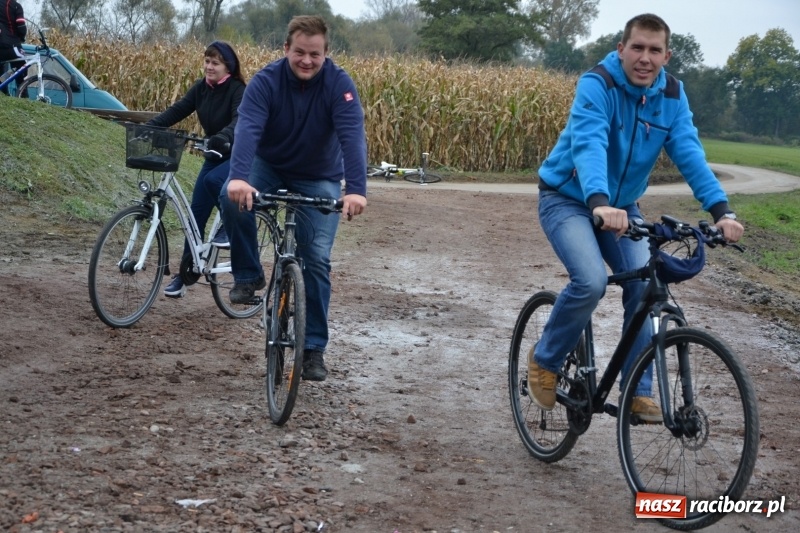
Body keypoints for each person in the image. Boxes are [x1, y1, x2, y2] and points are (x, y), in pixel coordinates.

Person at [529, 13, 744, 421]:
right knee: (590, 281)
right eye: (638, 48)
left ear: (666, 55)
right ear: (621, 49)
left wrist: (722, 211)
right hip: (569, 198)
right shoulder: (599, 84)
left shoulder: (673, 96)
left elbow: (689, 153)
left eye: (654, 50)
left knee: (646, 282)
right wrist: (598, 201)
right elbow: (589, 142)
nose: (645, 58)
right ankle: (545, 359)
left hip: (622, 207)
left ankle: (638, 391)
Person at [221, 15, 367, 382]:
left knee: (316, 258)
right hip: (268, 165)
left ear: (326, 54)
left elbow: (352, 134)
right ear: (286, 49)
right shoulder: (266, 81)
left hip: (319, 176)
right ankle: (249, 274)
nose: (306, 60)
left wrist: (357, 190)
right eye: (299, 52)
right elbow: (249, 126)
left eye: (314, 54)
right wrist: (239, 176)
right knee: (229, 196)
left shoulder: (339, 84)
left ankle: (313, 348)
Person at [146, 41, 246, 298]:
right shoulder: (202, 88)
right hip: (214, 154)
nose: (209, 67)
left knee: (214, 181)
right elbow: (179, 109)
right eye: (207, 61)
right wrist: (151, 126)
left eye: (216, 63)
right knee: (195, 216)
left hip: (237, 155)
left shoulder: (237, 89)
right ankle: (186, 273)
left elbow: (240, 120)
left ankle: (228, 222)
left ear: (228, 67)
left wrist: (224, 136)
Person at [0, 0, 26, 94]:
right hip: (12, 44)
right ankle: (23, 94)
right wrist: (22, 37)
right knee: (22, 67)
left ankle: (4, 94)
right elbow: (21, 27)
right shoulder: (15, 6)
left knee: (2, 70)